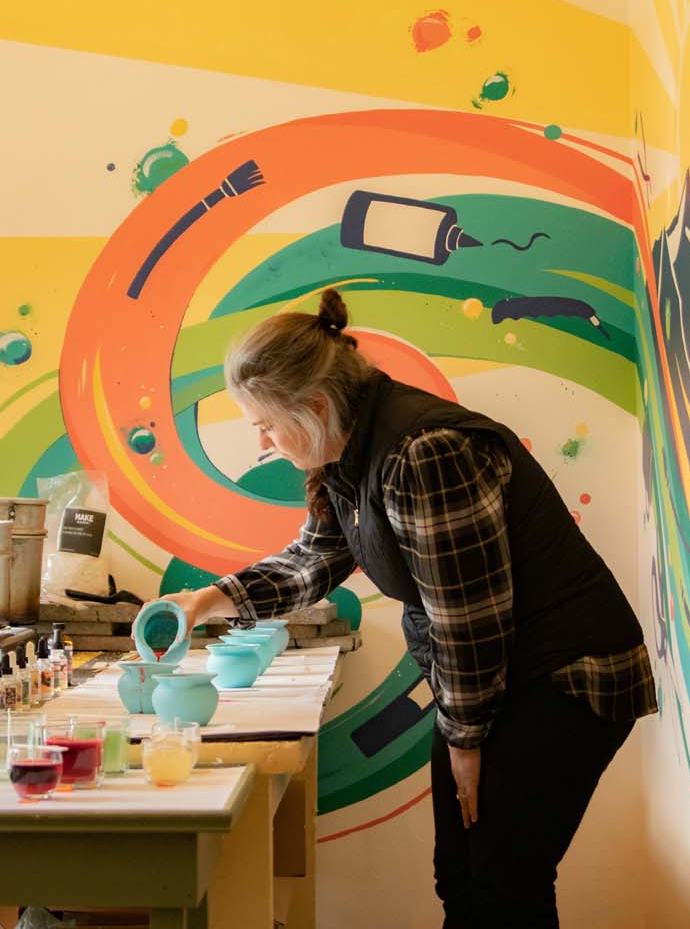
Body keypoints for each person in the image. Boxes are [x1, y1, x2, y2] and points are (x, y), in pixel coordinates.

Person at [161, 289, 656, 928]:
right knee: (462, 877)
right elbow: (315, 559)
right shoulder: (351, 448)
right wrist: (210, 600)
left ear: (313, 406)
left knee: (502, 882)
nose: (261, 440)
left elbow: (468, 616)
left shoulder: (427, 453)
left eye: (264, 423)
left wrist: (466, 739)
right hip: (498, 676)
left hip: (565, 674)